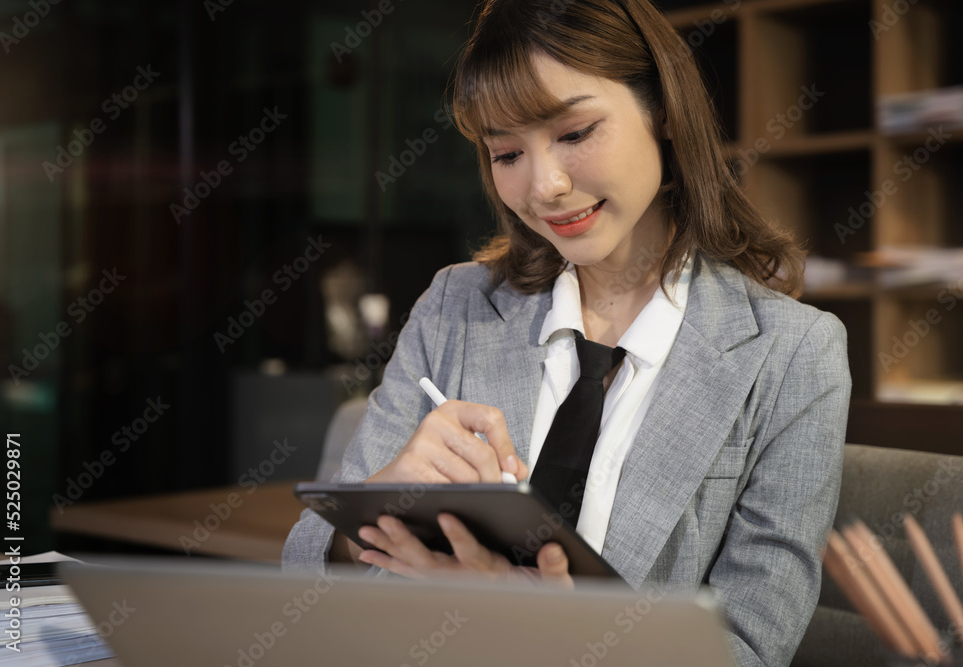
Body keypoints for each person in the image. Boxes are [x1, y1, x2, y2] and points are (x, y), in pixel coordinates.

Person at [283, 0, 851, 664]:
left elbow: (748, 648)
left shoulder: (793, 355)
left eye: (576, 133)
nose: (545, 186)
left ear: (662, 110)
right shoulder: (454, 307)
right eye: (506, 152)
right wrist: (376, 509)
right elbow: (305, 573)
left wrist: (529, 618)